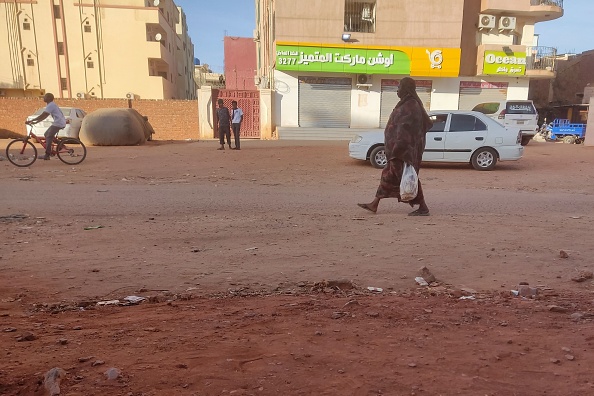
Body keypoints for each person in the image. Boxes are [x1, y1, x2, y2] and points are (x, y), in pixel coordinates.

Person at [357, 77, 433, 216]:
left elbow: (408, 130)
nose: (397, 90)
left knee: (408, 177)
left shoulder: (412, 106)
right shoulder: (405, 103)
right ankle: (374, 204)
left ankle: (423, 207)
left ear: (406, 88)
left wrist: (399, 148)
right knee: (389, 176)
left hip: (402, 152)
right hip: (396, 151)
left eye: (399, 87)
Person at [25, 92, 67, 160]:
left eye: (45, 97)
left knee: (48, 136)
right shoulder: (50, 105)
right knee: (46, 134)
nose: (44, 98)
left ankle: (47, 154)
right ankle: (61, 145)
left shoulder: (51, 105)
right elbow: (44, 116)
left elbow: (43, 115)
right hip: (59, 122)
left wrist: (32, 121)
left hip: (58, 123)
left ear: (49, 98)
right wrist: (35, 122)